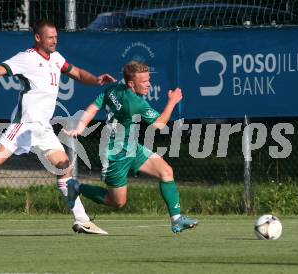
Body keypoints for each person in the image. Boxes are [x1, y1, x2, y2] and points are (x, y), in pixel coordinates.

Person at [0, 19, 116, 235]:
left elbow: (78, 73)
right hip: (25, 124)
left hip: (42, 128)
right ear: (38, 38)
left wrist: (96, 80)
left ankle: (82, 220)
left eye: (56, 37)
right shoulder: (26, 58)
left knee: (64, 166)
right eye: (50, 37)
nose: (55, 41)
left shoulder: (56, 58)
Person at [64, 60, 198, 233]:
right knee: (117, 202)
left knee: (166, 172)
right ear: (130, 84)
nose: (148, 84)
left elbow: (93, 107)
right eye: (144, 82)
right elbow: (159, 125)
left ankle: (177, 219)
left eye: (148, 80)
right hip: (115, 155)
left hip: (132, 147)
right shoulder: (134, 103)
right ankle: (76, 187)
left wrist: (81, 127)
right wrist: (172, 101)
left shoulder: (113, 89)